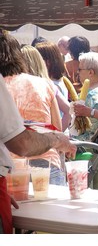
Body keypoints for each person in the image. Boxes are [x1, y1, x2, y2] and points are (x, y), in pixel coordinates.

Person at [0, 72, 76, 234]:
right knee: (55, 229)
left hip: (16, 171)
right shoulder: (44, 84)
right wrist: (56, 140)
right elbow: (21, 143)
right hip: (43, 161)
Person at [0, 34, 67, 186]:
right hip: (46, 164)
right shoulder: (43, 84)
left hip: (10, 169)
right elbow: (57, 128)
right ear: (18, 56)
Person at [21, 45, 71, 132]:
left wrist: (58, 134)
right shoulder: (49, 84)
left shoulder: (49, 85)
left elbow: (69, 110)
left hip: (43, 137)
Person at [72, 52, 98, 141]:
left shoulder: (88, 96)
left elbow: (80, 128)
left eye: (80, 69)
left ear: (91, 72)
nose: (77, 72)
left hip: (88, 148)